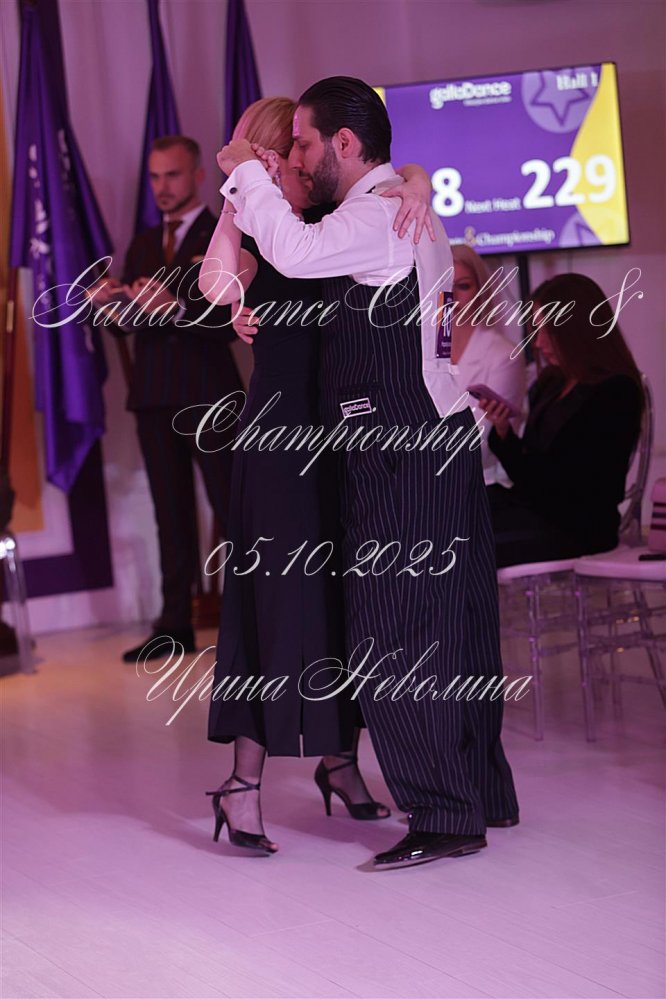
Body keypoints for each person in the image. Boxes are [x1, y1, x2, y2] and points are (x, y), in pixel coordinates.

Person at [218, 76, 518, 871]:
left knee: (399, 631)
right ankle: (481, 790)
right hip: (439, 437)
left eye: (305, 144)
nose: (297, 157)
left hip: (400, 447)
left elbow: (293, 249)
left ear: (345, 145)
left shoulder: (378, 214)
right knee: (458, 626)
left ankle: (445, 813)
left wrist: (242, 169)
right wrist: (415, 176)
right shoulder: (402, 204)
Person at [201, 98, 433, 854]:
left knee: (345, 603)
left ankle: (340, 761)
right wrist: (236, 203)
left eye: (296, 149)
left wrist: (419, 179)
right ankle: (242, 785)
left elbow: (391, 182)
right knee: (273, 605)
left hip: (342, 437)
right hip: (277, 443)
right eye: (287, 149)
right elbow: (214, 285)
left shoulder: (336, 218)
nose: (298, 159)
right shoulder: (261, 224)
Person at [90, 136, 243, 661]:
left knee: (232, 507)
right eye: (155, 177)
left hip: (209, 393)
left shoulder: (221, 233)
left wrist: (176, 309)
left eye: (172, 175)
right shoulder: (142, 244)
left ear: (198, 175)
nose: (162, 187)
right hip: (155, 395)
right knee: (169, 513)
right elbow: (129, 327)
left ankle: (251, 618)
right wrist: (109, 306)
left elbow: (230, 322)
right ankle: (174, 624)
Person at [481, 273, 644, 568]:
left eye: (549, 331)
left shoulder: (616, 392)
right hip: (536, 508)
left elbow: (571, 486)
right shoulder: (552, 381)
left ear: (577, 329)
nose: (539, 343)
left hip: (577, 527)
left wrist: (515, 455)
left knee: (466, 539)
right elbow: (532, 470)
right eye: (536, 330)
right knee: (454, 510)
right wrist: (504, 432)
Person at [450, 245, 526, 484]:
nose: (452, 296)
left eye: (463, 286)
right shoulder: (421, 351)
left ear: (481, 290)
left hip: (485, 485)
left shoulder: (504, 355)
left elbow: (487, 444)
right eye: (443, 286)